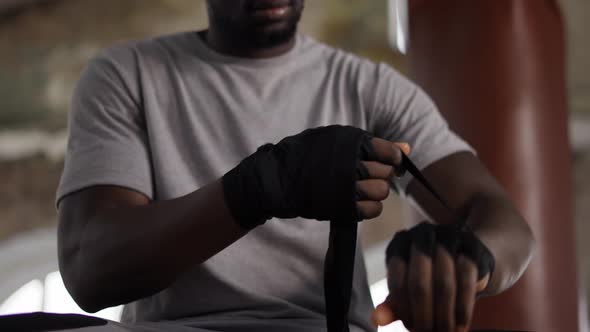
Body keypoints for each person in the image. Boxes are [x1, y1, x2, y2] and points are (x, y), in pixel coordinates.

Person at [55, 1, 535, 331]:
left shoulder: (370, 88)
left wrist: (467, 259)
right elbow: (90, 269)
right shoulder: (127, 75)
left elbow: (500, 218)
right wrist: (264, 186)